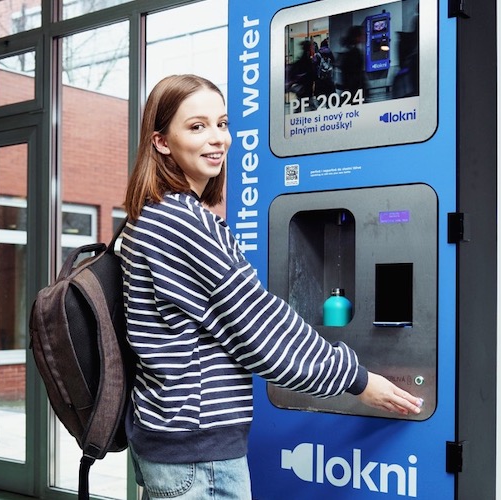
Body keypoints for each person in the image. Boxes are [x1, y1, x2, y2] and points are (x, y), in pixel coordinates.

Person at [120, 74, 423, 500]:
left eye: (222, 123)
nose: (217, 138)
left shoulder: (150, 216)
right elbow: (260, 328)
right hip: (198, 454)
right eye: (197, 126)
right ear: (161, 142)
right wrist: (356, 379)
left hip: (171, 439)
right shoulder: (183, 222)